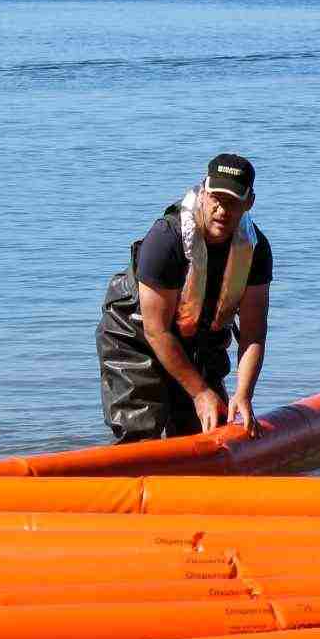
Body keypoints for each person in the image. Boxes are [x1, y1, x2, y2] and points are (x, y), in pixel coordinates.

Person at [97, 153, 271, 442]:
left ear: (249, 202)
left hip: (199, 341)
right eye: (216, 198)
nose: (221, 210)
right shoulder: (166, 238)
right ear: (203, 192)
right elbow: (156, 330)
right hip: (136, 336)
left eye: (232, 201)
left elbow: (253, 334)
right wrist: (200, 393)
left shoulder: (256, 249)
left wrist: (244, 394)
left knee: (211, 430)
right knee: (141, 430)